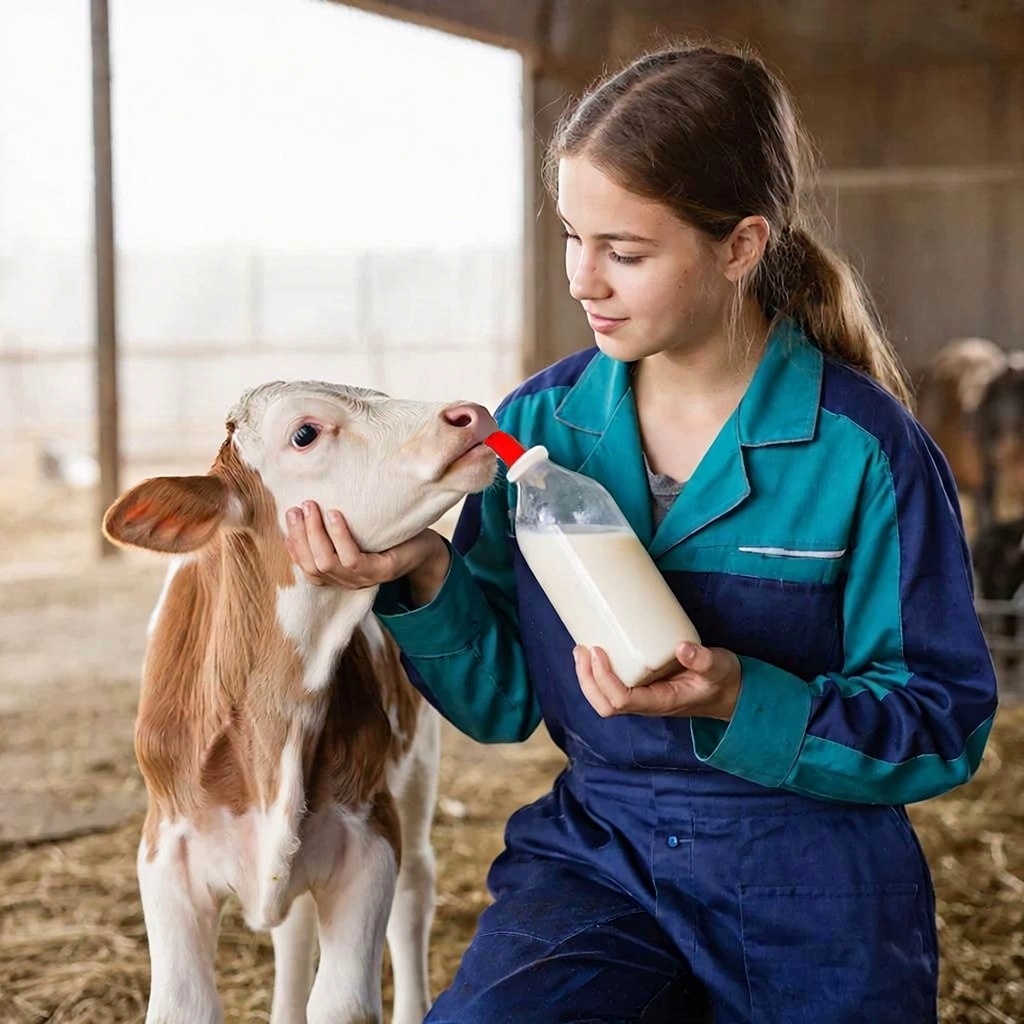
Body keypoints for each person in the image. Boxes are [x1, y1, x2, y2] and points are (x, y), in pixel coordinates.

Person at [284, 41, 998, 1024]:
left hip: (813, 874)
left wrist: (741, 694)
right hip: (602, 855)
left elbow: (942, 723)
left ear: (740, 246)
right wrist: (418, 570)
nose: (584, 279)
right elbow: (500, 704)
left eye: (624, 251)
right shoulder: (536, 423)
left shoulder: (860, 451)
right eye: (572, 236)